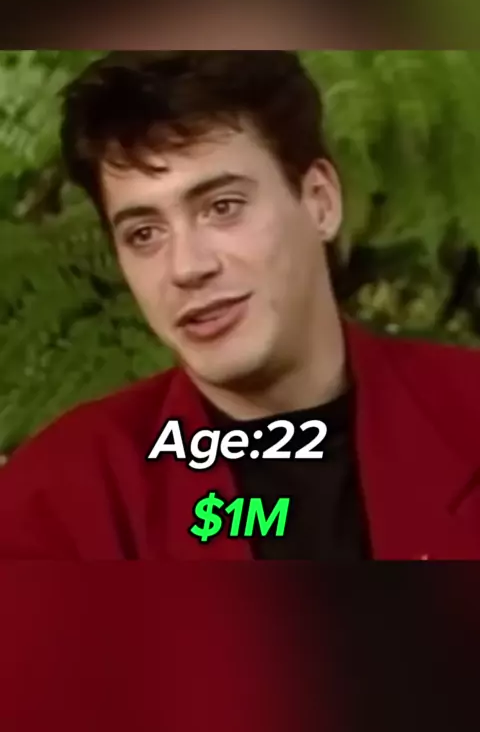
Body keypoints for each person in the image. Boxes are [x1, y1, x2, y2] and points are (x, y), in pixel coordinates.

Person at [1, 49, 480, 561]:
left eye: (223, 207)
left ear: (320, 201)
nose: (187, 267)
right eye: (144, 233)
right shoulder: (57, 503)